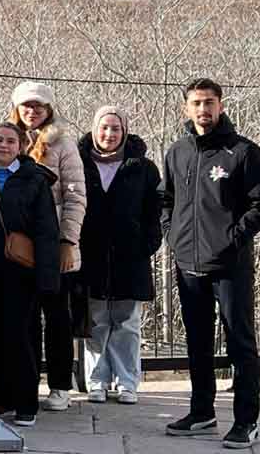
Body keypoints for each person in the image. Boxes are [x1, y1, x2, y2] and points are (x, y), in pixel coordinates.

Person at [162, 79, 260, 449]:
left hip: (229, 266)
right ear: (186, 108)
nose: (202, 109)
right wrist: (173, 235)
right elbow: (167, 199)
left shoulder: (242, 151)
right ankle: (202, 412)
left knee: (240, 344)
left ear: (220, 105)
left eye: (209, 102)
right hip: (188, 263)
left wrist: (231, 240)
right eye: (196, 103)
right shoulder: (177, 151)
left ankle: (246, 421)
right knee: (197, 343)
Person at [0, 123, 61, 427]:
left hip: (22, 270)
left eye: (11, 141)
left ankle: (26, 401)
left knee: (20, 335)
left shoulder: (35, 179)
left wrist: (48, 277)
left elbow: (47, 230)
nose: (4, 145)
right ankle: (2, 397)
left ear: (20, 146)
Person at [8, 81, 86, 412]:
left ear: (48, 110)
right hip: (16, 244)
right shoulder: (7, 140)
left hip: (52, 242)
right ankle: (24, 382)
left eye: (38, 106)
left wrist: (69, 239)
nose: (32, 111)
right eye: (26, 105)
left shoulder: (63, 145)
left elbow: (76, 195)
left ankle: (59, 385)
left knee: (56, 316)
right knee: (23, 317)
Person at [77, 106, 161, 405]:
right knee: (96, 324)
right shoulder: (79, 162)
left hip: (130, 257)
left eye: (115, 128)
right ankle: (96, 381)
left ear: (124, 131)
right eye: (104, 127)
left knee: (127, 324)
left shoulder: (144, 167)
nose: (109, 134)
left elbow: (156, 210)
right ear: (94, 129)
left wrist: (148, 242)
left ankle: (127, 382)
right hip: (91, 256)